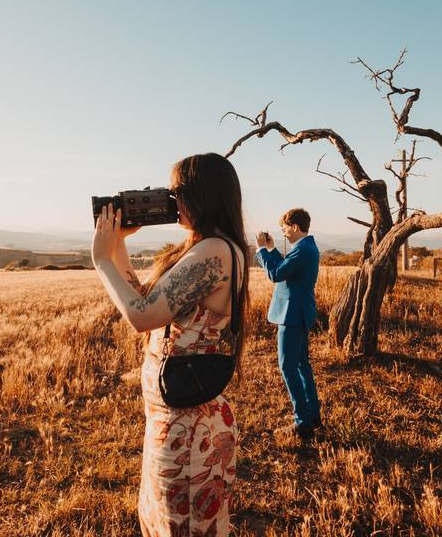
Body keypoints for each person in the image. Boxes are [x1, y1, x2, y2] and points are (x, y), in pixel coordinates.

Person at [92, 152, 249, 536]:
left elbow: (141, 317)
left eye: (178, 191)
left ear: (203, 195)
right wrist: (118, 247)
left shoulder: (213, 252)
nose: (170, 199)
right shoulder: (201, 247)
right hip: (173, 418)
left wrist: (100, 260)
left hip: (190, 428)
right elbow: (149, 301)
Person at [255, 208, 321, 440]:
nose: (283, 234)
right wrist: (272, 249)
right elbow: (285, 270)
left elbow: (275, 274)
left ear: (294, 226)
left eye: (284, 229)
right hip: (300, 313)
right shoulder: (306, 248)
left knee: (288, 367)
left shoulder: (302, 250)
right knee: (302, 364)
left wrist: (261, 249)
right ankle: (313, 416)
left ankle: (302, 422)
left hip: (291, 315)